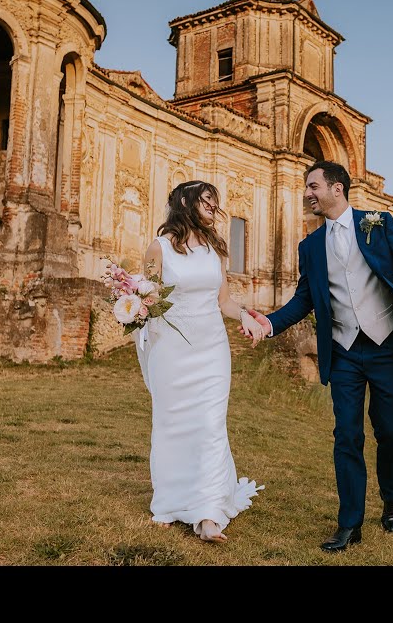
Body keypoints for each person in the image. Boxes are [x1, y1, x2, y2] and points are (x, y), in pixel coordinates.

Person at [243, 161, 393, 551]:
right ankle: (350, 523)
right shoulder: (309, 246)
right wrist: (268, 324)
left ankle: (392, 500)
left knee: (390, 432)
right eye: (305, 187)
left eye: (313, 185)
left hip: (386, 344)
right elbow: (304, 300)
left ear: (337, 189)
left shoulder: (378, 224)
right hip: (344, 351)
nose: (308, 193)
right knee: (346, 436)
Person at [135, 180, 267, 543]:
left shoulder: (214, 251)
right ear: (184, 201)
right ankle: (168, 502)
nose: (213, 206)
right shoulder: (158, 248)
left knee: (210, 425)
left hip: (211, 349)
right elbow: (145, 299)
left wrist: (246, 317)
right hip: (171, 351)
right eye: (207, 200)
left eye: (215, 202)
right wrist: (131, 306)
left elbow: (223, 301)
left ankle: (209, 513)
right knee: (171, 423)